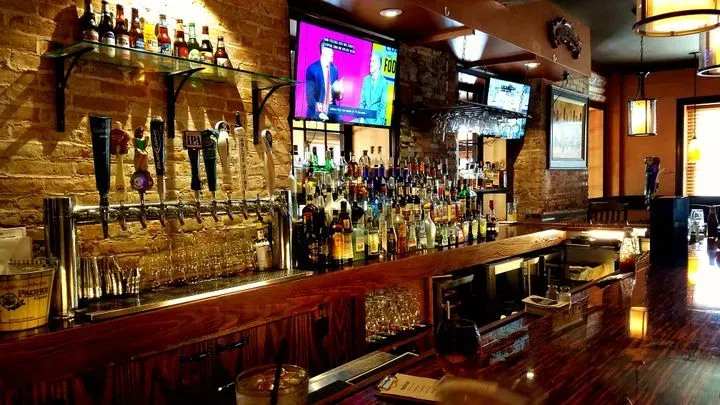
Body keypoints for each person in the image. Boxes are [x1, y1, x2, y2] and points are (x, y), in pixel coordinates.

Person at [305, 40, 339, 121]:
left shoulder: (334, 69)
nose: (333, 52)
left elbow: (336, 95)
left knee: (342, 120)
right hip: (317, 111)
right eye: (330, 50)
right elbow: (310, 97)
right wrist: (319, 113)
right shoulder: (312, 69)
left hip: (331, 110)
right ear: (323, 51)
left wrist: (339, 93)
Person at [358, 51, 389, 126]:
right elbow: (362, 102)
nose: (371, 64)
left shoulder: (384, 82)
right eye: (371, 61)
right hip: (363, 120)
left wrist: (378, 124)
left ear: (379, 65)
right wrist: (361, 118)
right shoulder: (366, 80)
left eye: (373, 61)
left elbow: (383, 107)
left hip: (376, 121)